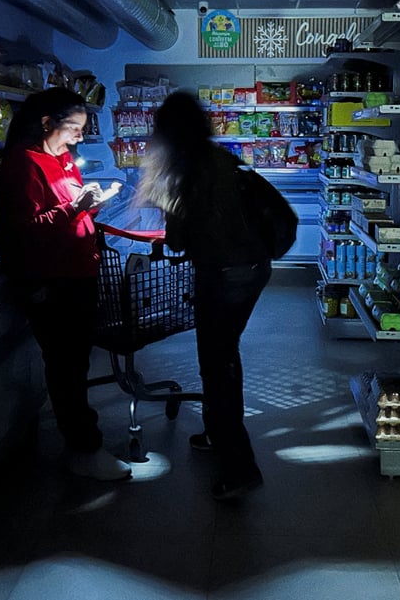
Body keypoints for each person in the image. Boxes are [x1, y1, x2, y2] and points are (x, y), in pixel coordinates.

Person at [0, 87, 131, 482]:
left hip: (78, 273)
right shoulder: (22, 164)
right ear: (46, 123)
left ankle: (82, 441)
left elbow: (67, 210)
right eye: (73, 128)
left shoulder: (63, 159)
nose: (79, 137)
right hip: (52, 281)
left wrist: (93, 202)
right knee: (66, 365)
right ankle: (84, 448)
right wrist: (76, 208)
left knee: (76, 361)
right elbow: (24, 231)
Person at [139, 91, 271, 501]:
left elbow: (177, 242)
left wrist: (162, 202)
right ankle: (217, 435)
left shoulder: (182, 170)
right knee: (224, 357)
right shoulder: (219, 158)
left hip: (222, 277)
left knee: (217, 367)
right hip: (253, 270)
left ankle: (240, 468)